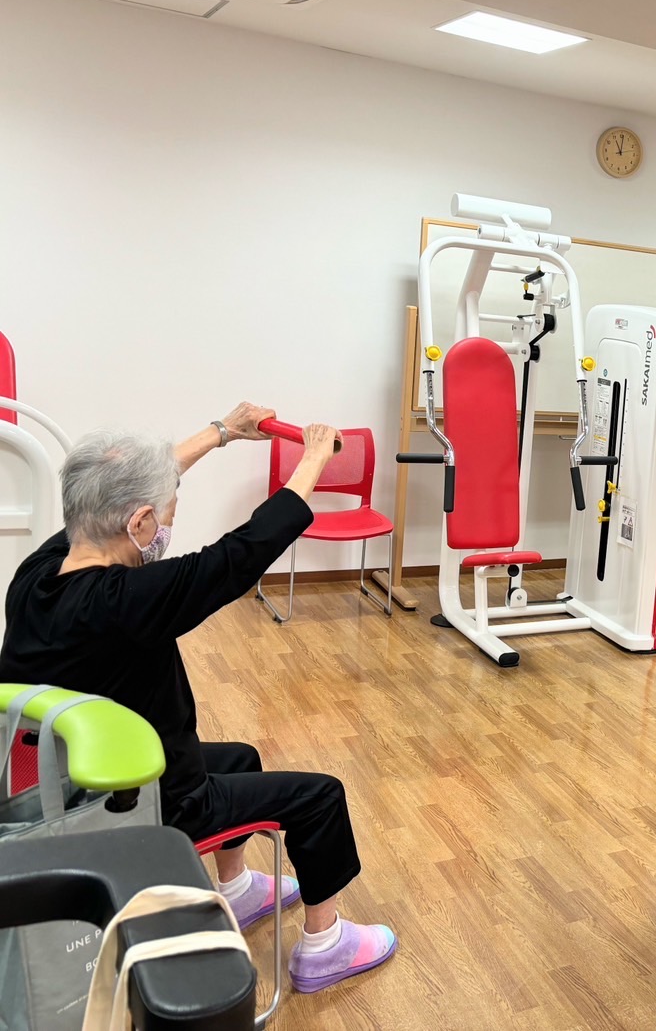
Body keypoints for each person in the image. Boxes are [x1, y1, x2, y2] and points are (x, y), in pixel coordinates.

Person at [0, 404, 396, 993]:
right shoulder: (128, 600)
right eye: (167, 513)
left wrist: (221, 434)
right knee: (320, 797)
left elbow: (118, 488)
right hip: (147, 800)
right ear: (139, 522)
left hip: (74, 780)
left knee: (241, 757)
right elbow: (241, 554)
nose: (168, 523)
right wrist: (314, 457)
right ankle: (325, 946)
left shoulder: (38, 574)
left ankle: (235, 890)